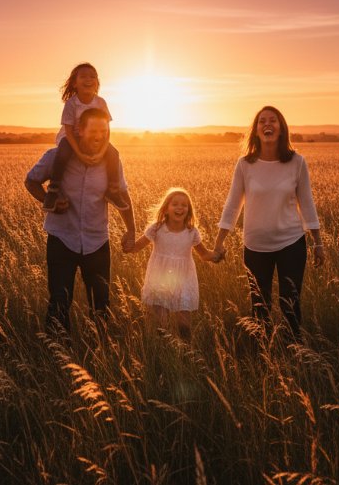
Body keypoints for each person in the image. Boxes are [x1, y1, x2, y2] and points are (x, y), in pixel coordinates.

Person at [212, 106, 325, 340]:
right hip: (255, 246)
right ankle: (263, 354)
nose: (267, 125)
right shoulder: (245, 164)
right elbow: (233, 204)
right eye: (262, 121)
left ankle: (293, 352)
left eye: (273, 121)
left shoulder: (297, 162)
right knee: (259, 306)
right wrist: (220, 241)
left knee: (290, 303)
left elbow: (307, 203)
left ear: (281, 128)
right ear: (255, 130)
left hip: (291, 243)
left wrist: (318, 243)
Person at [25, 107, 136, 333]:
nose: (99, 136)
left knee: (101, 304)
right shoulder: (56, 157)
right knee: (59, 301)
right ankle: (58, 352)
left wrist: (131, 230)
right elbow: (31, 181)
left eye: (103, 131)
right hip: (61, 239)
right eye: (93, 130)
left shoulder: (112, 162)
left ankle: (99, 351)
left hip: (97, 241)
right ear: (79, 131)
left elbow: (122, 195)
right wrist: (49, 200)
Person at [127, 188, 220, 340]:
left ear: (188, 210)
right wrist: (127, 242)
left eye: (184, 205)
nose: (180, 208)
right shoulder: (157, 228)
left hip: (183, 280)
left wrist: (216, 255)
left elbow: (203, 254)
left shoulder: (192, 232)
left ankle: (185, 354)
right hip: (159, 278)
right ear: (166, 208)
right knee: (160, 325)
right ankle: (162, 353)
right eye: (175, 204)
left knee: (184, 324)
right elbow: (136, 247)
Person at [43, 62, 129, 213]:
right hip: (71, 139)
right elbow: (69, 131)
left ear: (97, 82)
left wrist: (102, 152)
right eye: (83, 76)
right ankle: (53, 190)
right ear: (75, 83)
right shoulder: (72, 103)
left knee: (114, 153)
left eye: (93, 76)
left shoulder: (100, 102)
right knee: (62, 153)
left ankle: (113, 191)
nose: (88, 79)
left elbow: (107, 130)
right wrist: (80, 154)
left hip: (95, 137)